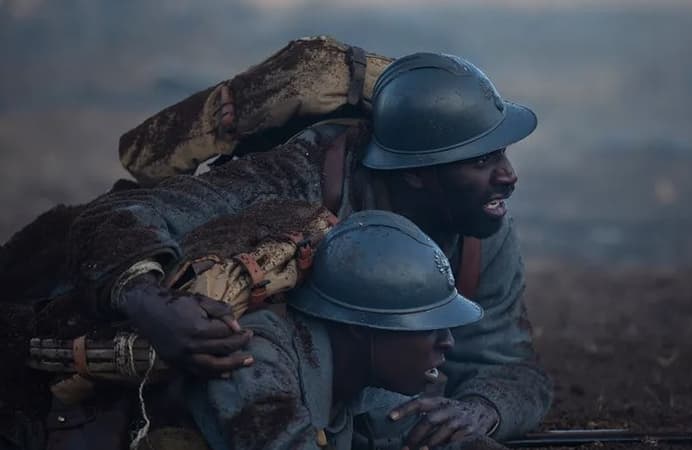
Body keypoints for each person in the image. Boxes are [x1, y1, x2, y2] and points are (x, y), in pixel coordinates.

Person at [65, 52, 552, 447]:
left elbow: (509, 366)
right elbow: (117, 217)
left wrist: (481, 412)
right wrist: (153, 305)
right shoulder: (297, 180)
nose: (508, 177)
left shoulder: (477, 228)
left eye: (503, 154)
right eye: (482, 160)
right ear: (418, 173)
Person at [183, 210, 484, 450]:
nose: (448, 342)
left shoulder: (357, 375)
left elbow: (414, 426)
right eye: (428, 326)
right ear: (358, 326)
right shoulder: (254, 361)